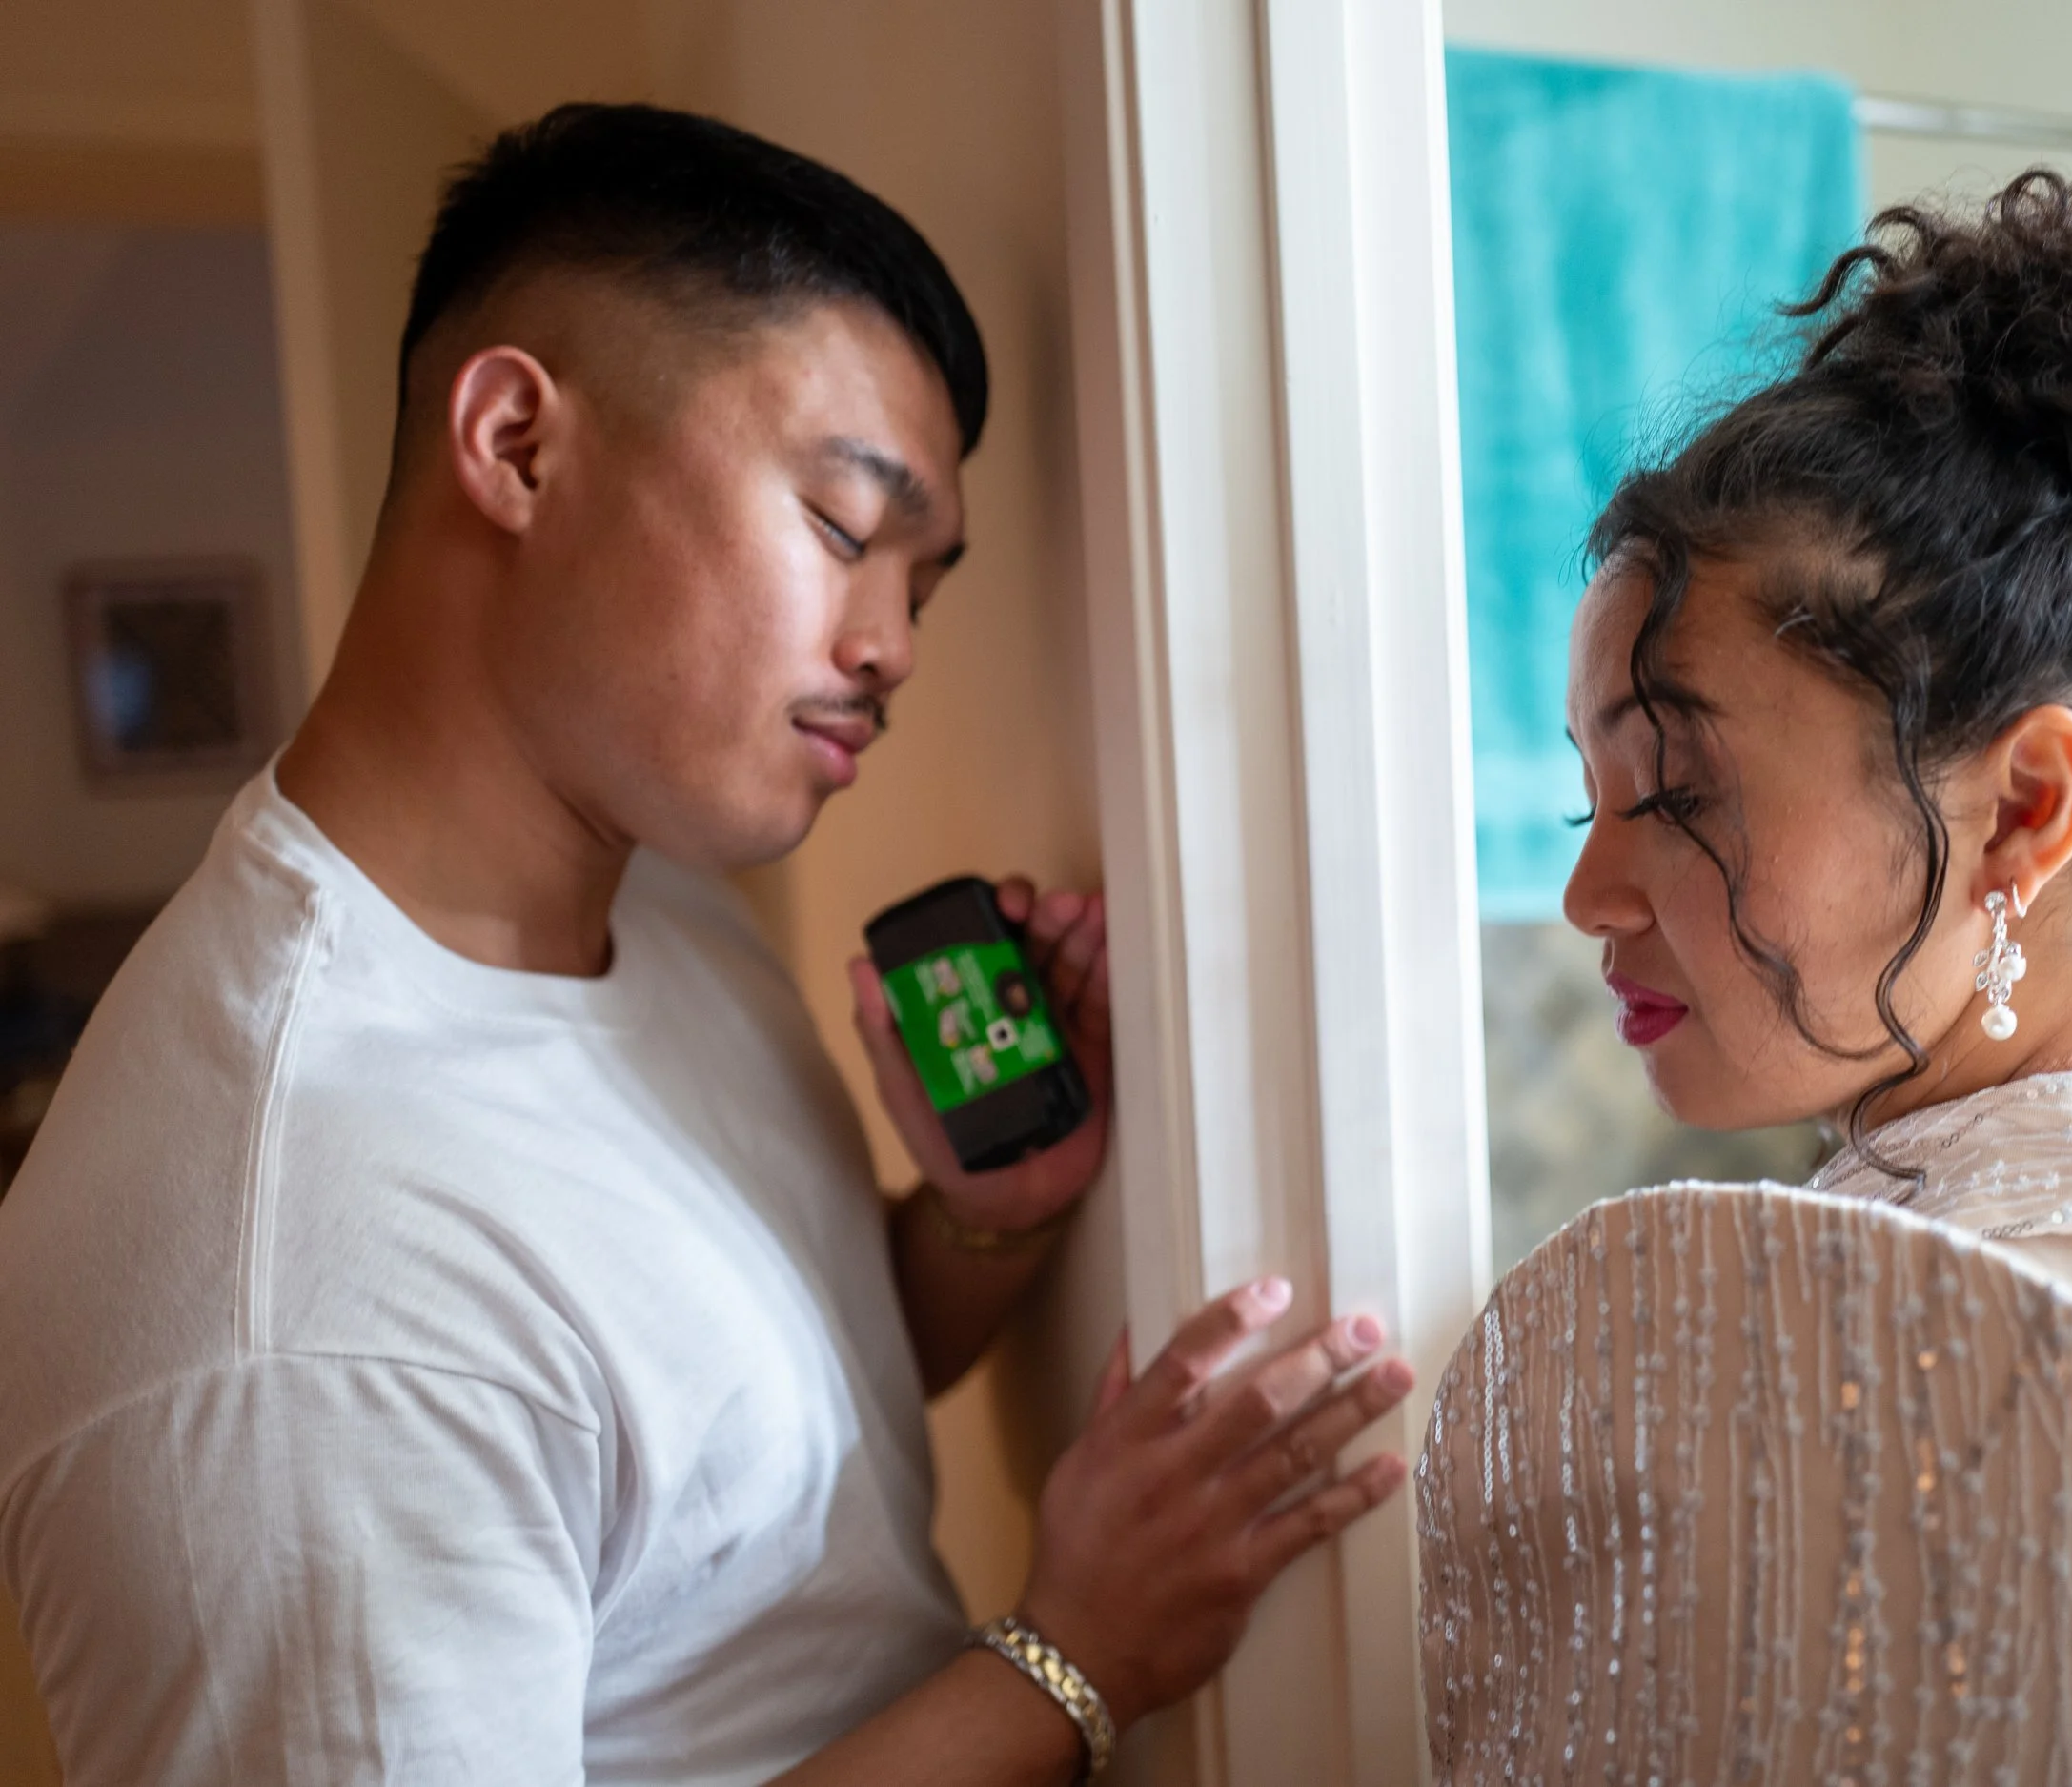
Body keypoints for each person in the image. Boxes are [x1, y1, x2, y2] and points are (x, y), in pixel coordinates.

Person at [0, 104, 1415, 1786]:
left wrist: (983, 1218)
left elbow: (714, 1458)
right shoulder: (293, 1293)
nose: (891, 647)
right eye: (843, 528)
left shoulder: (655, 898)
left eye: (921, 586)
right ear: (517, 443)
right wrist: (1072, 1658)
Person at [1415, 160, 2072, 1784]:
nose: (1588, 893)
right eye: (1594, 798)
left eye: (1679, 792)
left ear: (2024, 810)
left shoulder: (1923, 1369)